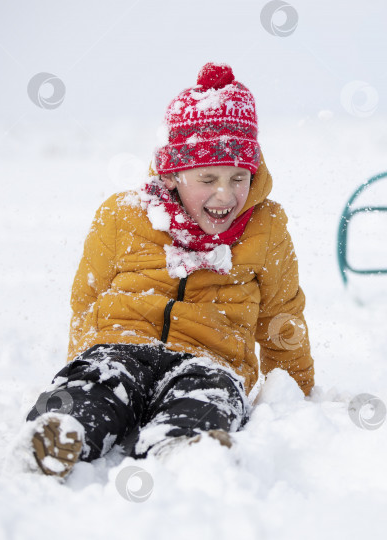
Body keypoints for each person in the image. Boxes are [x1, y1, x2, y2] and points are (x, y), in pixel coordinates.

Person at [23, 62, 314, 478]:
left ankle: (183, 447)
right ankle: (57, 435)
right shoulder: (122, 215)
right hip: (119, 344)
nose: (225, 194)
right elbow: (86, 298)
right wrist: (83, 360)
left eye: (238, 177)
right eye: (208, 177)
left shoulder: (266, 229)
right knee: (97, 384)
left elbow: (282, 316)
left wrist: (299, 395)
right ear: (174, 173)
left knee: (206, 398)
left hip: (211, 360)